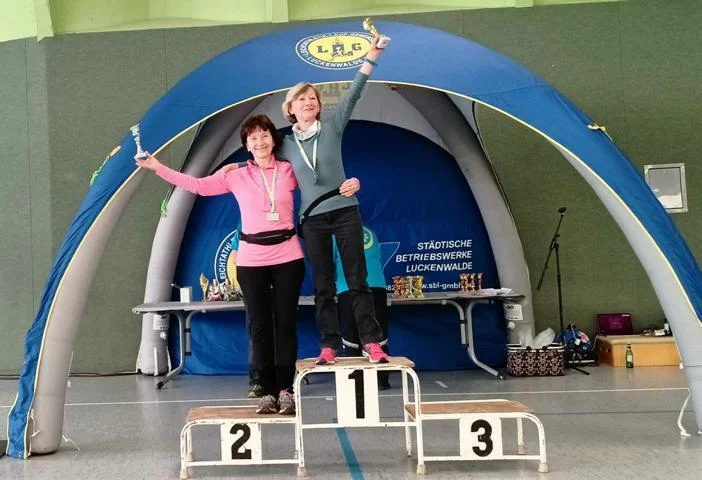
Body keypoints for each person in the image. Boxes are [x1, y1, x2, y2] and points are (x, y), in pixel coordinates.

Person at [135, 115, 304, 415]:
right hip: (251, 260)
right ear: (247, 145)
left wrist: (347, 184)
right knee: (260, 326)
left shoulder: (289, 170)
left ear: (274, 140)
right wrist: (158, 167)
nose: (260, 142)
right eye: (253, 138)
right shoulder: (236, 176)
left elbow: (319, 176)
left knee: (285, 325)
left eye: (264, 135)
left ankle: (286, 390)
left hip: (288, 256)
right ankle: (266, 391)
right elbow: (197, 186)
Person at [279, 33, 389, 366]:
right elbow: (259, 154)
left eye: (313, 98)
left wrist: (372, 55)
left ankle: (371, 341)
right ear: (290, 108)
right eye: (302, 99)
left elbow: (354, 93)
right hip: (312, 219)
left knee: (357, 280)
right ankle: (329, 345)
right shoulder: (284, 145)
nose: (309, 102)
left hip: (344, 212)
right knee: (323, 284)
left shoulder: (332, 127)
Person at [334, 225, 391, 389]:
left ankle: (355, 382)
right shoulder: (370, 232)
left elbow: (329, 263)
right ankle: (381, 380)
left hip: (348, 287)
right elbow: (377, 257)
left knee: (351, 336)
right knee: (378, 333)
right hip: (377, 285)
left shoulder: (334, 235)